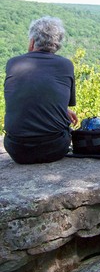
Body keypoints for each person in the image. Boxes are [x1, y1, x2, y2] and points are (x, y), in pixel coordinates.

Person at [4, 16, 78, 164]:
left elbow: (24, 94)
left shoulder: (13, 63)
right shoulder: (66, 65)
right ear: (56, 45)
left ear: (32, 42)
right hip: (55, 148)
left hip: (16, 150)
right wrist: (62, 109)